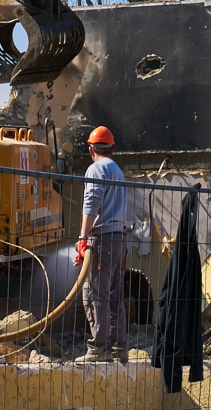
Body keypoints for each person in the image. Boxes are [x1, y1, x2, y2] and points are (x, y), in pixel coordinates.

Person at [73, 125, 128, 363]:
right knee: (115, 295)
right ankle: (119, 348)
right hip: (119, 240)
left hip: (102, 238)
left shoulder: (95, 170)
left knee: (96, 295)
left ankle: (98, 349)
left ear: (90, 149)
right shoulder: (118, 172)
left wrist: (83, 238)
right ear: (113, 148)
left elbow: (91, 204)